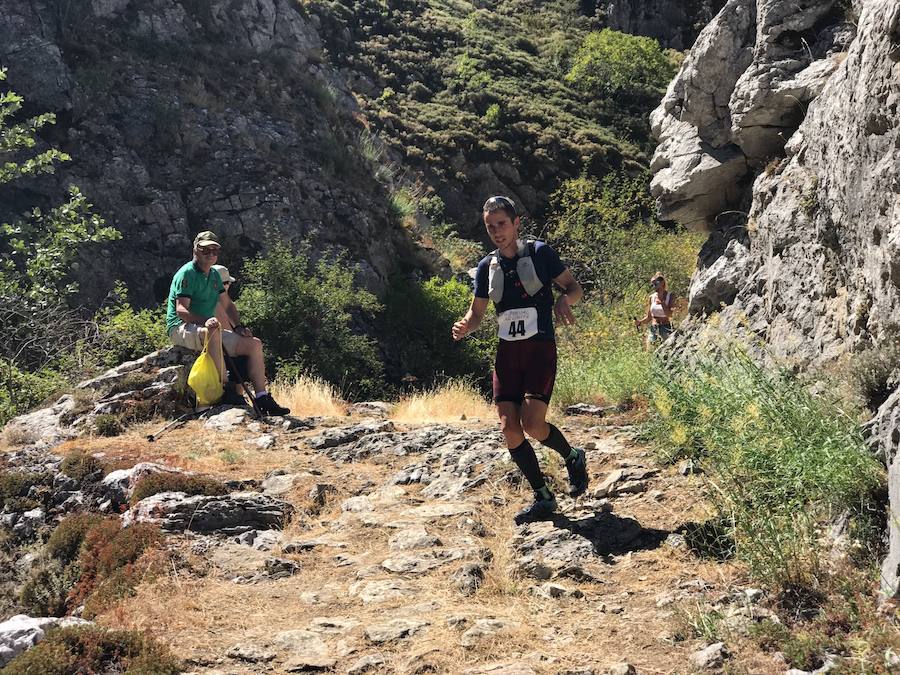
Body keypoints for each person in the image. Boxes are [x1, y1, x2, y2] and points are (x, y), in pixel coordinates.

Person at [452, 196, 588, 524]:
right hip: (507, 356)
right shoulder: (487, 267)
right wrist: (464, 326)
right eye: (490, 227)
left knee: (532, 424)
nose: (496, 231)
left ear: (516, 224)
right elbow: (478, 311)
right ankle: (542, 496)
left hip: (539, 351)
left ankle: (572, 456)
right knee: (509, 428)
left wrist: (563, 302)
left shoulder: (540, 254)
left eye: (501, 224)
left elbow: (574, 288)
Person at [165, 231, 290, 415]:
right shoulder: (186, 274)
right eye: (205, 249)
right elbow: (181, 310)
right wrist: (205, 321)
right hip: (180, 327)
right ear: (195, 250)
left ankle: (262, 397)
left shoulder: (214, 275)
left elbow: (228, 305)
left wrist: (238, 327)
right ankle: (224, 391)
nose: (210, 254)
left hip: (209, 326)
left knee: (254, 345)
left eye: (214, 250)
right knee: (213, 333)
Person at [635, 272, 675, 347]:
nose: (654, 287)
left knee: (667, 350)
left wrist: (662, 302)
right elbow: (649, 317)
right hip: (654, 328)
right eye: (652, 285)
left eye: (656, 284)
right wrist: (640, 322)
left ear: (662, 283)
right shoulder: (651, 297)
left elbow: (670, 314)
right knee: (651, 350)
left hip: (665, 328)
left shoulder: (670, 296)